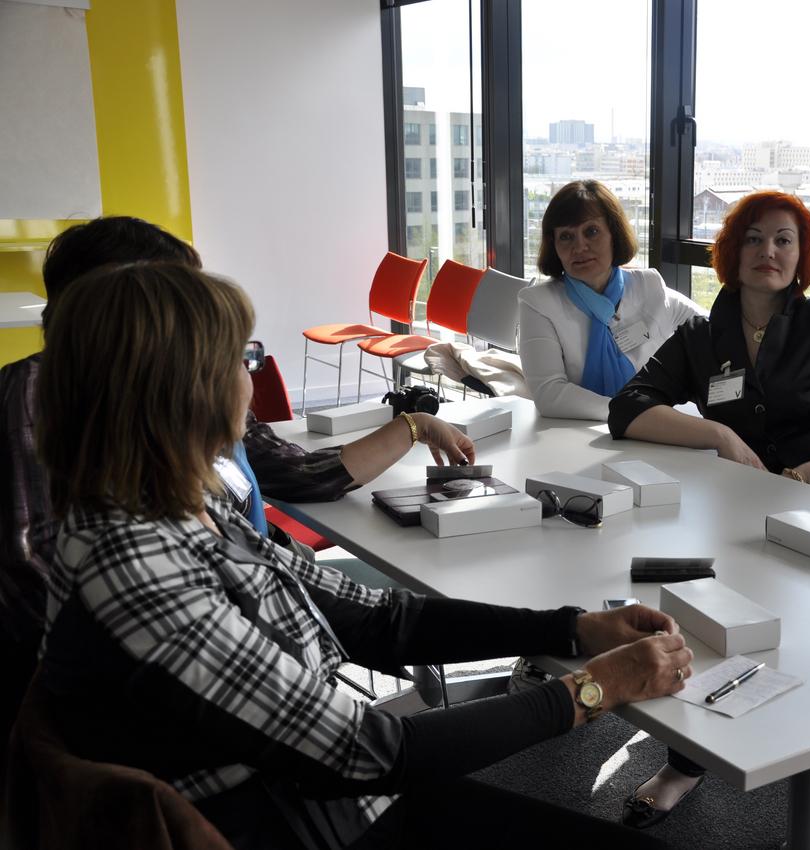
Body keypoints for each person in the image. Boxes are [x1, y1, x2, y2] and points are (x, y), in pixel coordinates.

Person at [31, 261, 695, 849]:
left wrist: (570, 630)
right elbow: (373, 751)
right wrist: (596, 688)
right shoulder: (137, 568)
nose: (251, 379)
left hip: (328, 800)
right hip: (308, 822)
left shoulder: (183, 504)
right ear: (182, 390)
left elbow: (379, 619)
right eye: (242, 358)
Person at [0, 217, 478, 754]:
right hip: (149, 692)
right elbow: (38, 571)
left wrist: (415, 425)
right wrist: (220, 630)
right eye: (176, 295)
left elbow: (298, 473)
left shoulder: (184, 384)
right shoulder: (36, 397)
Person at [607, 191, 810, 843]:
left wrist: (803, 477)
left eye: (784, 240)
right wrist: (716, 434)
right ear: (731, 251)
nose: (768, 251)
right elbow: (627, 408)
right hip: (740, 515)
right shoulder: (702, 335)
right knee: (706, 625)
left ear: (802, 257)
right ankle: (688, 761)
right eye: (754, 238)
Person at [518, 180, 704, 420]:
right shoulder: (538, 303)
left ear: (614, 234)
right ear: (554, 246)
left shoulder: (648, 286)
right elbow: (550, 394)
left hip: (655, 428)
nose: (579, 246)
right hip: (576, 433)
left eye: (591, 232)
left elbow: (711, 330)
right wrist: (631, 414)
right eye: (566, 236)